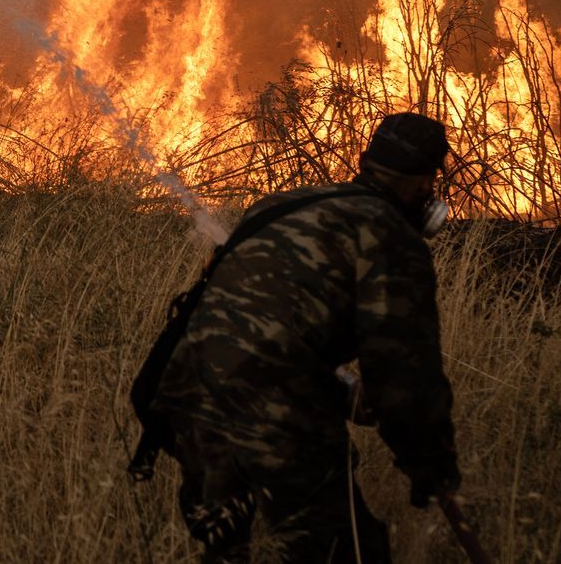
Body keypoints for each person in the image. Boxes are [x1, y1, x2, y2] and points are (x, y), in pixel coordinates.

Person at [147, 112, 460, 563]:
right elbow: (404, 375)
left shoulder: (279, 203)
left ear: (366, 162)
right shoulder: (391, 236)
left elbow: (257, 327)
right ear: (425, 184)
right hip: (273, 408)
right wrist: (432, 466)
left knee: (227, 550)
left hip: (189, 394)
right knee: (346, 551)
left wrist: (339, 391)